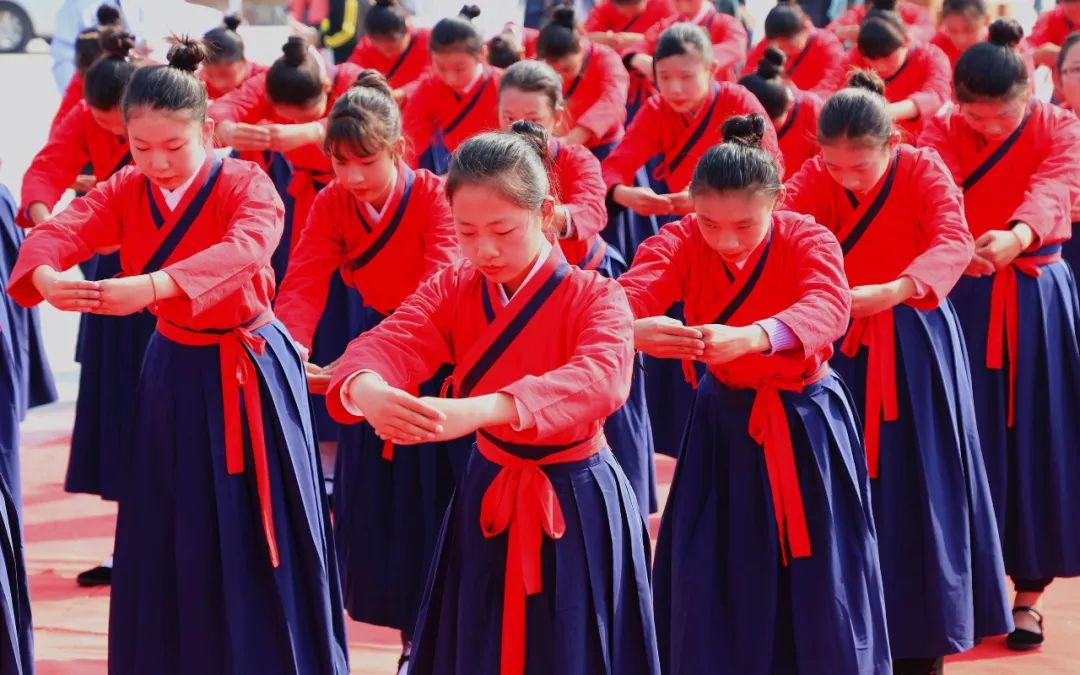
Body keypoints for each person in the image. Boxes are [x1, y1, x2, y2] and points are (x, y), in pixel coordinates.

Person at [8, 37, 350, 673]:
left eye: (174, 146)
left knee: (256, 527)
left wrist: (153, 286)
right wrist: (49, 276)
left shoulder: (246, 183)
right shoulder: (127, 187)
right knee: (171, 521)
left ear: (209, 133)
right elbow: (65, 228)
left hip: (248, 368)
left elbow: (246, 249)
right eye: (141, 147)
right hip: (173, 365)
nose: (157, 162)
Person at [326, 129, 660, 675]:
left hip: (575, 495)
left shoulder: (596, 295)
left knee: (575, 648)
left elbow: (601, 378)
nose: (484, 249)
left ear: (545, 213)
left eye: (503, 230)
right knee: (479, 643)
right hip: (488, 485)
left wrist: (484, 409)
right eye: (466, 231)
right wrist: (367, 387)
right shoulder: (454, 287)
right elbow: (392, 340)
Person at [620, 113, 890, 674]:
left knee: (820, 570)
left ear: (777, 201)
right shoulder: (679, 239)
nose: (726, 240)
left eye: (745, 225)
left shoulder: (806, 237)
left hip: (804, 419)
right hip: (723, 419)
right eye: (709, 222)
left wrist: (753, 336)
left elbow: (829, 305)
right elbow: (627, 295)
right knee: (711, 565)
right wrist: (631, 330)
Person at [785, 70, 1012, 675]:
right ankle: (839, 633)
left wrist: (895, 289)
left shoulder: (922, 169)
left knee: (920, 486)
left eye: (860, 167)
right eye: (834, 166)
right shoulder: (814, 177)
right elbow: (781, 228)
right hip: (835, 346)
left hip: (914, 344)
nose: (847, 178)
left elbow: (952, 239)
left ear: (892, 142)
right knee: (831, 490)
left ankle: (921, 638)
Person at [273, 70, 461, 673]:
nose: (352, 177)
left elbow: (438, 286)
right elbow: (303, 279)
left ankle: (449, 636)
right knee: (384, 513)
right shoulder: (332, 203)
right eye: (339, 163)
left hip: (442, 351)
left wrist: (377, 359)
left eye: (366, 161)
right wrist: (288, 348)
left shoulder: (435, 195)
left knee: (442, 504)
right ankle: (410, 638)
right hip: (377, 352)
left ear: (398, 148)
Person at [919, 17, 1080, 653]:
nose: (987, 127)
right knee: (960, 436)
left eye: (1002, 117)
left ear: (1028, 94)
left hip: (1034, 292)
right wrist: (959, 245)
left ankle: (1029, 593)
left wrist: (1017, 235)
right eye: (975, 116)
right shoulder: (942, 127)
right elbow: (936, 190)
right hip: (963, 287)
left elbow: (1053, 189)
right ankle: (965, 587)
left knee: (1039, 435)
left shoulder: (1058, 126)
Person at [601, 22, 777, 457]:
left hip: (747, 239)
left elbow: (769, 173)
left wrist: (710, 205)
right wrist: (624, 193)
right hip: (693, 237)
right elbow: (616, 164)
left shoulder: (738, 102)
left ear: (712, 69)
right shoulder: (657, 110)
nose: (675, 88)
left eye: (686, 76)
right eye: (665, 77)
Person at [498, 59, 657, 515]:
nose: (518, 126)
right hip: (520, 296)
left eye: (532, 117)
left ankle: (619, 509)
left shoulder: (575, 158)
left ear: (558, 117)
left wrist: (549, 215)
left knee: (604, 395)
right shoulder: (487, 161)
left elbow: (593, 210)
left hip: (582, 287)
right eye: (508, 116)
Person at [19, 29, 146, 588]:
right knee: (122, 410)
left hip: (178, 281)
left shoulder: (166, 108)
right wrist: (49, 228)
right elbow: (46, 170)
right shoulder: (86, 113)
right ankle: (129, 546)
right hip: (110, 273)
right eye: (103, 123)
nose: (115, 134)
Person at [210, 37, 367, 445]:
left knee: (355, 300)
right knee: (304, 290)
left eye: (307, 114)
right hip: (307, 203)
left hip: (355, 197)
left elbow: (380, 116)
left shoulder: (351, 79)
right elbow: (222, 109)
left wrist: (314, 131)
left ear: (326, 90)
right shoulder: (269, 82)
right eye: (288, 117)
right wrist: (228, 128)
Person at [823, 6, 951, 140]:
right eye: (871, 59)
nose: (880, 66)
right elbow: (829, 87)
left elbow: (936, 95)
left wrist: (881, 112)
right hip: (868, 142)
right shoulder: (855, 55)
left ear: (906, 40)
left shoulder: (932, 56)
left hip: (921, 141)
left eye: (887, 57)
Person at [401, 5, 502, 174]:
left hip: (501, 167)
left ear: (482, 54)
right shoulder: (429, 87)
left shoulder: (504, 85)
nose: (450, 78)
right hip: (456, 169)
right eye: (440, 67)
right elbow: (410, 142)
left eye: (459, 68)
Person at [535, 6, 629, 156]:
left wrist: (574, 137)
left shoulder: (607, 59)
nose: (560, 77)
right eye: (553, 72)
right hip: (559, 140)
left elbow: (613, 101)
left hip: (604, 144)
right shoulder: (537, 63)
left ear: (580, 47)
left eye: (567, 69)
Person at [738, 46, 823, 179]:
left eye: (771, 125)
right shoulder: (738, 99)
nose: (767, 133)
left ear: (789, 104)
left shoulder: (811, 109)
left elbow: (824, 164)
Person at [624, 0, 749, 84]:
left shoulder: (725, 23)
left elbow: (735, 48)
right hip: (673, 101)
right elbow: (640, 46)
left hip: (716, 101)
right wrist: (637, 58)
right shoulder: (669, 24)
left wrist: (688, 62)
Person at [741, 1, 845, 97]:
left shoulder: (830, 46)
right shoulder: (772, 41)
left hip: (807, 106)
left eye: (787, 45)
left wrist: (789, 94)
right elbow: (746, 75)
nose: (781, 50)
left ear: (806, 28)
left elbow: (829, 89)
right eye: (776, 45)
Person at [345, 0, 432, 106]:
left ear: (406, 30)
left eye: (391, 44)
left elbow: (433, 77)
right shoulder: (367, 45)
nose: (384, 49)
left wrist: (403, 93)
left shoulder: (427, 40)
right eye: (377, 42)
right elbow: (349, 71)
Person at [199, 14, 268, 101]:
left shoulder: (268, 80)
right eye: (210, 75)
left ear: (243, 62)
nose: (219, 83)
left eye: (225, 74)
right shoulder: (199, 83)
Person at [828, 0, 933, 44]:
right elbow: (828, 33)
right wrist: (843, 33)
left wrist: (891, 33)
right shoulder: (860, 11)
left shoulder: (916, 13)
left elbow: (927, 32)